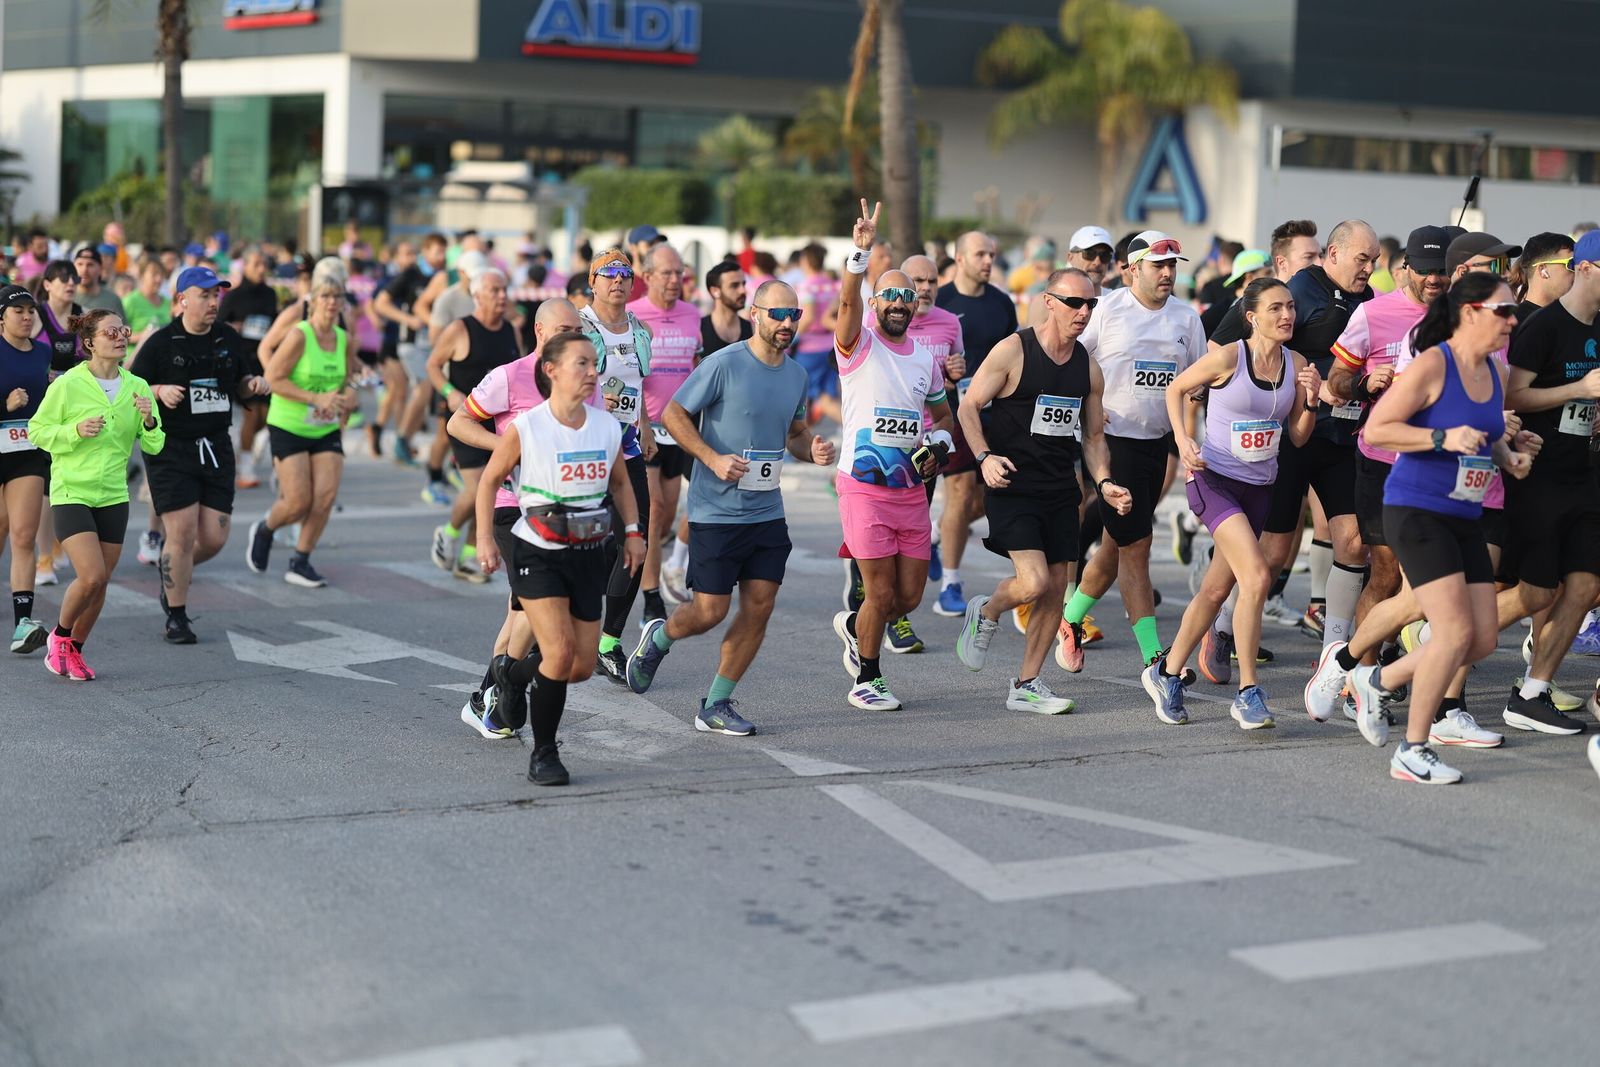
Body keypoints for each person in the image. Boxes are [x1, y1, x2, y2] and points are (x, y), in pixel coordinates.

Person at [1307, 272, 1534, 782]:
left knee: (1478, 641)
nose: (1512, 319)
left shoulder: (1494, 372)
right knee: (1452, 633)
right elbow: (1383, 426)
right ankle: (1412, 749)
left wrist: (1509, 455)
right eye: (1503, 310)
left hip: (1464, 513)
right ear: (1470, 312)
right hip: (1416, 510)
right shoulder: (1435, 364)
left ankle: (1374, 681)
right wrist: (1440, 437)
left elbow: (1486, 438)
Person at [623, 280, 836, 735]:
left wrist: (811, 449)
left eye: (793, 316)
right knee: (709, 612)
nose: (786, 324)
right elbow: (675, 414)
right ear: (755, 315)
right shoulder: (724, 364)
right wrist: (711, 457)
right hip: (715, 512)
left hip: (766, 512)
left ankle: (716, 702)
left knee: (760, 605)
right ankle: (658, 638)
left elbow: (794, 432)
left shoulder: (797, 375)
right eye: (777, 314)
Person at [954, 268, 1129, 712]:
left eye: (1091, 304)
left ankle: (1027, 684)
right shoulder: (1015, 350)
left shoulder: (1087, 367)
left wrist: (1104, 481)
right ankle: (989, 610)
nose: (1084, 312)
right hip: (1011, 481)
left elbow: (1092, 438)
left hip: (1059, 487)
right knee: (1032, 582)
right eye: (1075, 303)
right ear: (1050, 301)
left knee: (1054, 591)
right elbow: (969, 405)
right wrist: (983, 457)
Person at [472, 331, 641, 784]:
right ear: (551, 371)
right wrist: (485, 539)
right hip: (538, 553)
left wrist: (632, 532)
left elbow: (621, 484)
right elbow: (489, 482)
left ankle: (512, 675)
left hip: (588, 554)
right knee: (559, 652)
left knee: (580, 668)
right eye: (581, 364)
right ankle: (545, 754)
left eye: (594, 364)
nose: (592, 373)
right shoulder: (526, 428)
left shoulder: (606, 426)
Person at [1155, 279, 1321, 727]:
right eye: (1275, 309)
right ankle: (1249, 692)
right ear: (1252, 317)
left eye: (1290, 307)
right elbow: (1175, 389)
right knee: (1257, 576)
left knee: (1214, 591)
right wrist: (1184, 439)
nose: (1287, 315)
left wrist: (1312, 399)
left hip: (1259, 486)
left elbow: (1300, 436)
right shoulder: (1229, 356)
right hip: (1215, 480)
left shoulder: (1297, 363)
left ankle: (1167, 671)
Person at [1208, 220, 1381, 651]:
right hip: (1292, 439)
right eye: (1362, 259)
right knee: (1273, 552)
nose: (1369, 269)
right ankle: (1224, 629)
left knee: (1354, 543)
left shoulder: (1371, 300)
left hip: (1342, 437)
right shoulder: (1301, 290)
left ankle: (1334, 651)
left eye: (1375, 261)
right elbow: (1223, 345)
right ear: (1334, 253)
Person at [1056, 231, 1204, 672]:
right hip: (1110, 443)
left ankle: (1069, 618)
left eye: (1173, 266)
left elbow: (1195, 380)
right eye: (1159, 266)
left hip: (1155, 445)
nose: (1168, 273)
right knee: (1137, 546)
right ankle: (1154, 659)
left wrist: (1185, 435)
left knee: (1115, 548)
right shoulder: (1106, 309)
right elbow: (1069, 361)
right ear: (1132, 268)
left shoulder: (1186, 318)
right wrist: (1086, 413)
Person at [828, 201, 954, 710]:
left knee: (907, 599)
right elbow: (845, 307)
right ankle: (869, 677)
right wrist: (860, 254)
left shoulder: (925, 359)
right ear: (876, 302)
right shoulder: (857, 345)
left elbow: (944, 418)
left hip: (910, 490)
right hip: (861, 487)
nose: (901, 302)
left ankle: (853, 623)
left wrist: (939, 446)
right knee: (880, 595)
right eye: (891, 296)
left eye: (908, 296)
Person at [450, 299, 585, 737]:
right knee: (532, 604)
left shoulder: (586, 378)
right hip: (513, 507)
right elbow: (458, 424)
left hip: (565, 512)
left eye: (577, 329)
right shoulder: (508, 376)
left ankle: (486, 696)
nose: (572, 336)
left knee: (519, 614)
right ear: (541, 332)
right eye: (564, 328)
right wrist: (509, 448)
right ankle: (494, 698)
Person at [1494, 229, 1600, 734]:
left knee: (1586, 584)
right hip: (1537, 472)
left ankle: (1532, 692)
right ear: (1585, 268)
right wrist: (1577, 388)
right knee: (1535, 593)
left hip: (1583, 472)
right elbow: (1513, 396)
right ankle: (1434, 643)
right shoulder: (1542, 326)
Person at [129, 267, 268, 642]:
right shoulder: (161, 342)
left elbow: (240, 379)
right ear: (182, 300)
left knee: (213, 539)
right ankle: (176, 615)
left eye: (216, 295)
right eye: (204, 295)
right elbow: (130, 385)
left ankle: (172, 569)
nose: (212, 302)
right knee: (182, 530)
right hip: (171, 448)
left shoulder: (227, 337)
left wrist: (252, 383)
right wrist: (158, 390)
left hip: (216, 445)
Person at [27, 309, 165, 679]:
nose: (120, 337)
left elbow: (153, 446)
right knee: (90, 575)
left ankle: (74, 651)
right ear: (89, 343)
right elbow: (37, 430)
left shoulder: (136, 386)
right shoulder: (68, 384)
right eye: (111, 332)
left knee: (102, 580)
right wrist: (74, 431)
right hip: (72, 491)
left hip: (113, 495)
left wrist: (150, 420)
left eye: (123, 330)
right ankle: (59, 636)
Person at [578, 249, 660, 684]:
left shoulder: (640, 330)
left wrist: (645, 425)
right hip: (586, 451)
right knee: (591, 543)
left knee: (636, 540)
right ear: (592, 281)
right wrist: (593, 401)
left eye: (625, 274)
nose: (618, 280)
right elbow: (552, 382)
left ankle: (609, 641)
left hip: (626, 449)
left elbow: (635, 384)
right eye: (608, 273)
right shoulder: (577, 327)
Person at [248, 278, 356, 588]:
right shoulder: (300, 335)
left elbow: (347, 379)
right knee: (298, 502)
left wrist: (349, 395)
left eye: (338, 296)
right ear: (313, 301)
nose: (332, 302)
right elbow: (273, 378)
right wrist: (314, 398)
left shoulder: (343, 338)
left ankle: (301, 560)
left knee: (324, 497)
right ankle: (265, 529)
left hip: (325, 427)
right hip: (289, 425)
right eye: (326, 296)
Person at [934, 230, 1018, 616]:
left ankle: (937, 535)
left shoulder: (1002, 302)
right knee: (960, 494)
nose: (988, 261)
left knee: (989, 494)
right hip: (951, 411)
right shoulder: (943, 300)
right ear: (960, 257)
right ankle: (950, 583)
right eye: (981, 254)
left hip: (993, 413)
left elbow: (1014, 356)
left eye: (992, 254)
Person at [426, 267, 520, 583]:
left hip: (500, 424)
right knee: (480, 485)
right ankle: (450, 530)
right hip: (465, 421)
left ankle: (468, 558)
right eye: (494, 290)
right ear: (477, 295)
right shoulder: (460, 329)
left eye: (504, 289)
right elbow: (433, 364)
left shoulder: (510, 330)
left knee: (492, 491)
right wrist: (450, 392)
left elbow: (518, 372)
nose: (502, 296)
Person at [628, 243, 702, 626]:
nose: (676, 280)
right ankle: (651, 597)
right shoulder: (633, 315)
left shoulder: (693, 314)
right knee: (654, 510)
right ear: (648, 276)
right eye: (668, 273)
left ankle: (642, 565)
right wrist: (640, 424)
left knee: (667, 515)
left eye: (680, 273)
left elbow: (698, 365)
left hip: (679, 427)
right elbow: (628, 375)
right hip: (644, 428)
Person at [0, 286, 51, 653]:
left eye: (31, 310)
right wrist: (4, 403)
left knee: (22, 534)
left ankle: (22, 625)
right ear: (2, 316)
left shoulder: (43, 354)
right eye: (18, 310)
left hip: (28, 452)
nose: (27, 316)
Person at [376, 233, 448, 468]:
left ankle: (406, 439)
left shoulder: (446, 276)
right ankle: (401, 439)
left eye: (444, 251)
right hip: (410, 342)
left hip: (434, 343)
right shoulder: (410, 274)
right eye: (437, 251)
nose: (441, 256)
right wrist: (408, 318)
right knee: (424, 386)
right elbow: (380, 303)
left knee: (424, 391)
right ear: (425, 252)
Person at [219, 247, 280, 490]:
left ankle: (242, 449)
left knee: (265, 416)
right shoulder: (234, 295)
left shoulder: (270, 294)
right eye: (256, 264)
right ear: (245, 266)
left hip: (265, 359)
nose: (261, 269)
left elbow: (273, 323)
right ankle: (245, 468)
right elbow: (220, 323)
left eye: (264, 264)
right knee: (252, 412)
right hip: (241, 358)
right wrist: (235, 326)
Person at [793, 243, 842, 425]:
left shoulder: (806, 286)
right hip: (830, 346)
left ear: (805, 260)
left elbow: (809, 316)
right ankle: (854, 430)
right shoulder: (831, 285)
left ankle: (801, 442)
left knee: (801, 397)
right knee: (826, 397)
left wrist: (791, 336)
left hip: (809, 349)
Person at [1510, 232, 1576, 322]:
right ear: (1543, 270)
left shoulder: (1576, 318)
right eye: (1572, 264)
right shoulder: (1512, 322)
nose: (1579, 271)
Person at [123, 260, 173, 343]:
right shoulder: (130, 301)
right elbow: (118, 334)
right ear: (142, 276)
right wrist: (143, 336)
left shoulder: (168, 302)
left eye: (161, 274)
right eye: (154, 274)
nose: (159, 279)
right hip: (137, 354)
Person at [74, 245, 124, 317]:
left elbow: (123, 327)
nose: (84, 270)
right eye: (80, 264)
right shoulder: (66, 296)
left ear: (100, 269)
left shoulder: (112, 300)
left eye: (90, 265)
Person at [1066, 226, 1116, 295]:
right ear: (1070, 257)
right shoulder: (1053, 302)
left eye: (1105, 255)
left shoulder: (1118, 302)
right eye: (1089, 254)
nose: (1097, 262)